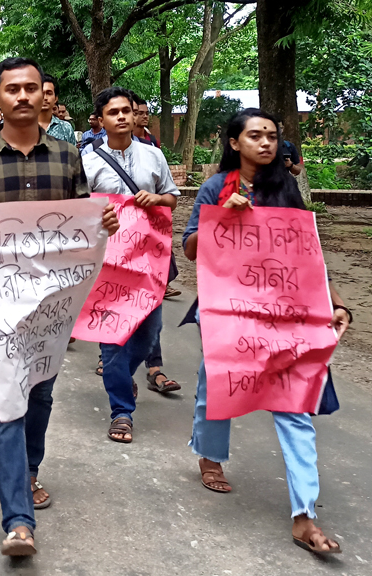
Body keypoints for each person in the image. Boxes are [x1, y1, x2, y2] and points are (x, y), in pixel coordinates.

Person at [0, 57, 120, 556]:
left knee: (39, 397)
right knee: (8, 400)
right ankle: (18, 520)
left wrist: (101, 224)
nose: (21, 96)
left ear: (43, 94)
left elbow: (84, 220)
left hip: (52, 309)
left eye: (30, 88)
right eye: (11, 89)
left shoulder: (67, 156)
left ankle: (31, 468)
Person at [183, 107, 350, 555]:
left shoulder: (286, 189)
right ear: (234, 143)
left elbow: (306, 257)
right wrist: (223, 215)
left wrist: (331, 303)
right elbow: (192, 249)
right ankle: (210, 455)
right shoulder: (216, 187)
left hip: (284, 316)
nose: (266, 143)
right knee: (215, 387)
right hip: (229, 312)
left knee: (295, 407)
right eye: (255, 135)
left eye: (272, 136)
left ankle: (304, 516)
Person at [82, 87, 180, 443]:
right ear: (101, 120)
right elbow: (77, 212)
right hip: (107, 263)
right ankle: (121, 411)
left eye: (126, 110)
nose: (122, 117)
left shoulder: (154, 156)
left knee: (148, 332)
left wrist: (156, 198)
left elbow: (171, 197)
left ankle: (126, 373)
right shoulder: (88, 161)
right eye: (114, 112)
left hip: (149, 261)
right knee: (111, 342)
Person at [39, 74, 76, 145]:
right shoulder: (23, 128)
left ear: (55, 98)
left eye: (49, 93)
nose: (45, 98)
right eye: (41, 93)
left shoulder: (66, 128)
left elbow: (73, 155)